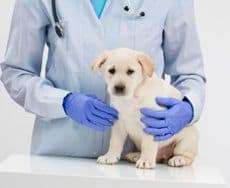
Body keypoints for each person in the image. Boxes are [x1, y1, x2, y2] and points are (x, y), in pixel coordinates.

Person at [0, 0, 206, 158]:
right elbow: (16, 72)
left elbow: (189, 73)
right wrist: (63, 102)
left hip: (136, 158)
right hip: (60, 153)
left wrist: (187, 108)